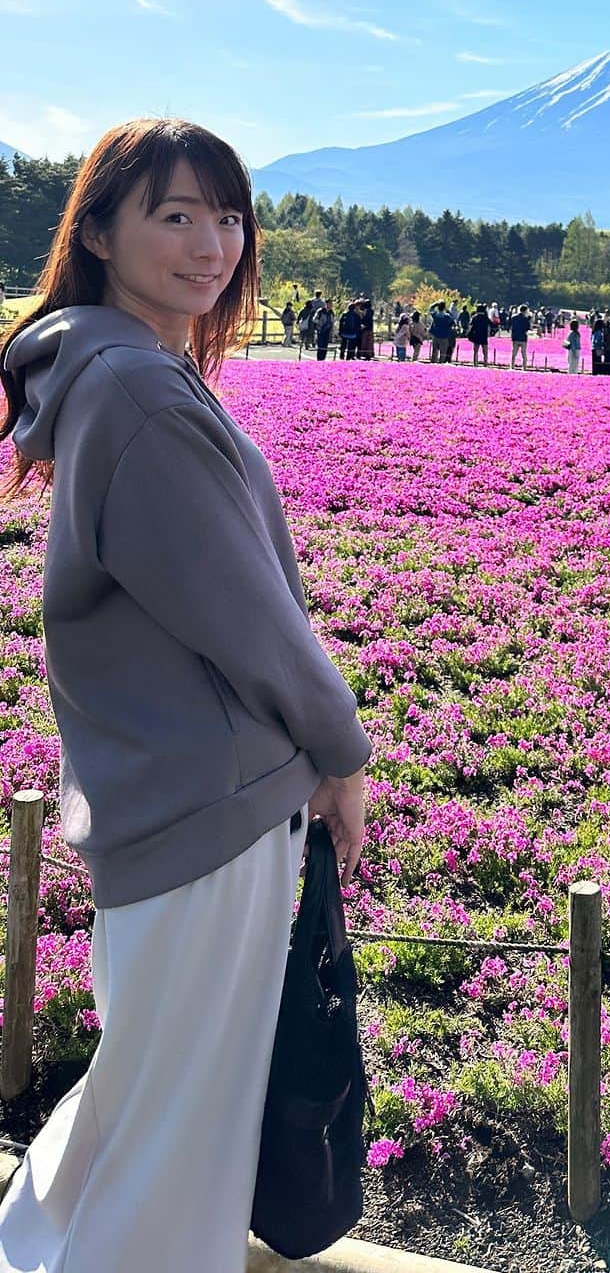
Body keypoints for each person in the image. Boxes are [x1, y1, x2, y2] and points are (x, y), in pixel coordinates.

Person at [0, 119, 372, 1273]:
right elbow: (249, 615)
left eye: (227, 216)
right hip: (213, 798)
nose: (211, 244)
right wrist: (344, 754)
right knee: (185, 1123)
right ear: (101, 232)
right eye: (174, 215)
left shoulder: (113, 373)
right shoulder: (141, 394)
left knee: (150, 1083)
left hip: (157, 787)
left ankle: (39, 1241)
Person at [509, 304, 531, 370]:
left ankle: (512, 366)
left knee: (514, 353)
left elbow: (510, 326)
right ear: (525, 311)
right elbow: (528, 328)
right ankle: (524, 367)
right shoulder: (526, 319)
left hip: (515, 337)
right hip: (523, 338)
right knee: (524, 354)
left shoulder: (513, 317)